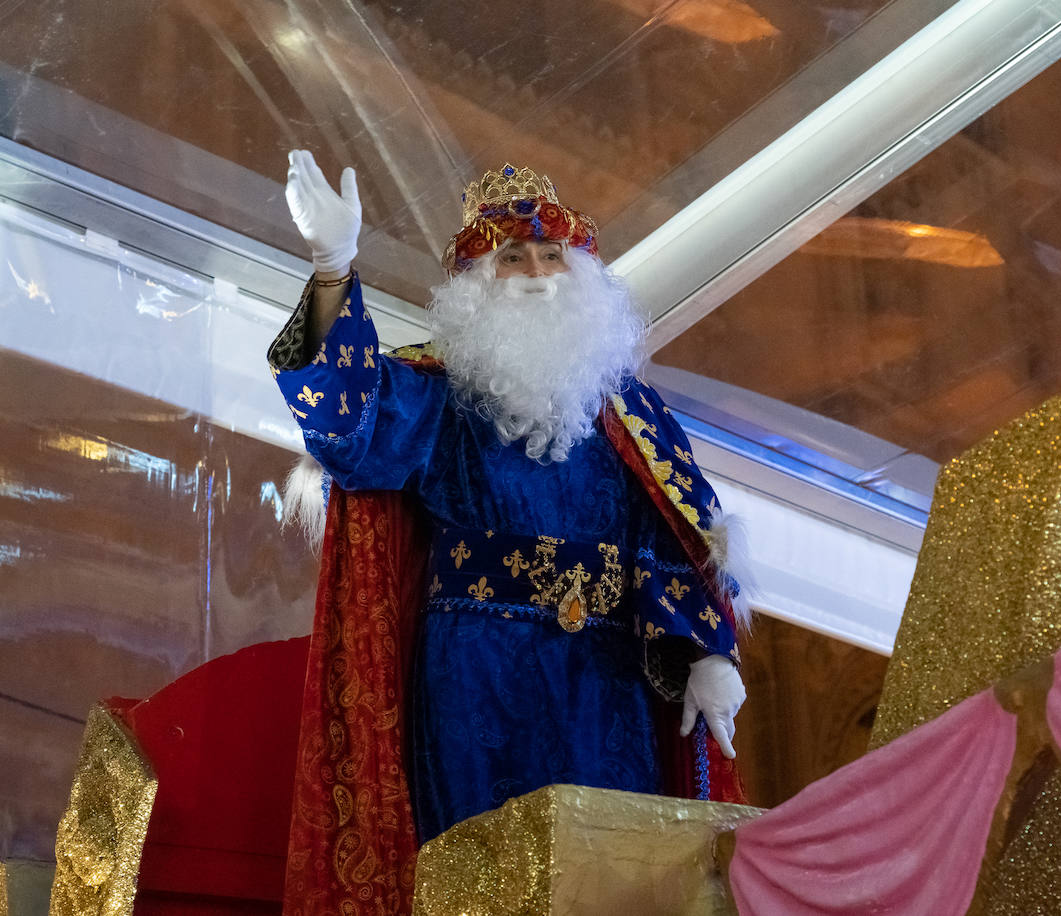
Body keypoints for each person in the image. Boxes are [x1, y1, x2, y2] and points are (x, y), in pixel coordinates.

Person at [268, 151, 748, 914]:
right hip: (476, 677)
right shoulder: (438, 397)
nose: (535, 273)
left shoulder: (633, 415)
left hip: (608, 681)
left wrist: (707, 650)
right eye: (512, 257)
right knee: (484, 876)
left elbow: (673, 537)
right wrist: (333, 270)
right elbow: (347, 427)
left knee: (615, 875)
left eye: (552, 255)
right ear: (476, 286)